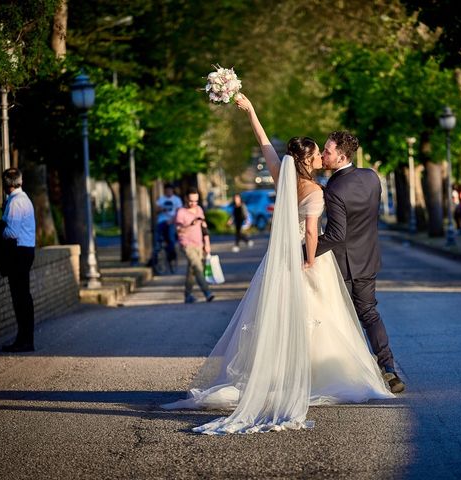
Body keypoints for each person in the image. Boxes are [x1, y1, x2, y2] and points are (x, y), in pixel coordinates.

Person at [161, 94, 394, 435]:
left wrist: (252, 109)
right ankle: (321, 375)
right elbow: (312, 234)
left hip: (278, 259)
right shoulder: (316, 191)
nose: (321, 157)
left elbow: (264, 142)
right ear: (310, 161)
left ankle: (276, 376)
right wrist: (310, 261)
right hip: (307, 261)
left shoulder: (281, 175)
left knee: (278, 317)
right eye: (318, 154)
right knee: (323, 318)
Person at [316, 131, 406, 394]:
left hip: (342, 264)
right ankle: (388, 368)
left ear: (341, 155)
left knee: (340, 319)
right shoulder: (370, 177)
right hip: (367, 258)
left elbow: (336, 235)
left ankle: (352, 373)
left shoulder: (335, 189)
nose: (323, 154)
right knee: (369, 314)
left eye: (327, 151)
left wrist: (303, 250)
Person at [1, 168, 36, 353]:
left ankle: (24, 340)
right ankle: (25, 339)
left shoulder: (15, 202)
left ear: (7, 185)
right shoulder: (25, 199)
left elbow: (12, 232)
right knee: (24, 296)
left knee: (20, 297)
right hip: (27, 250)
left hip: (19, 252)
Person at [175, 187, 215, 304]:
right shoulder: (181, 212)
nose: (193, 203)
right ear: (186, 199)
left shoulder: (199, 210)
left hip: (199, 244)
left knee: (191, 270)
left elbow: (204, 228)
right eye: (191, 201)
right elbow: (178, 230)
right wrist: (190, 224)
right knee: (197, 268)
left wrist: (207, 244)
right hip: (187, 244)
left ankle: (188, 295)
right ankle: (207, 293)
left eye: (196, 201)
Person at [151, 184, 182, 274]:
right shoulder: (161, 199)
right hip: (162, 221)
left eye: (170, 190)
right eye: (167, 190)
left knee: (171, 238)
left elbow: (179, 212)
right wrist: (161, 209)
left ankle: (172, 255)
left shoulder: (176, 200)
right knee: (157, 237)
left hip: (172, 222)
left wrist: (172, 220)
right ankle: (157, 252)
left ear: (172, 191)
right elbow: (156, 209)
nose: (168, 192)